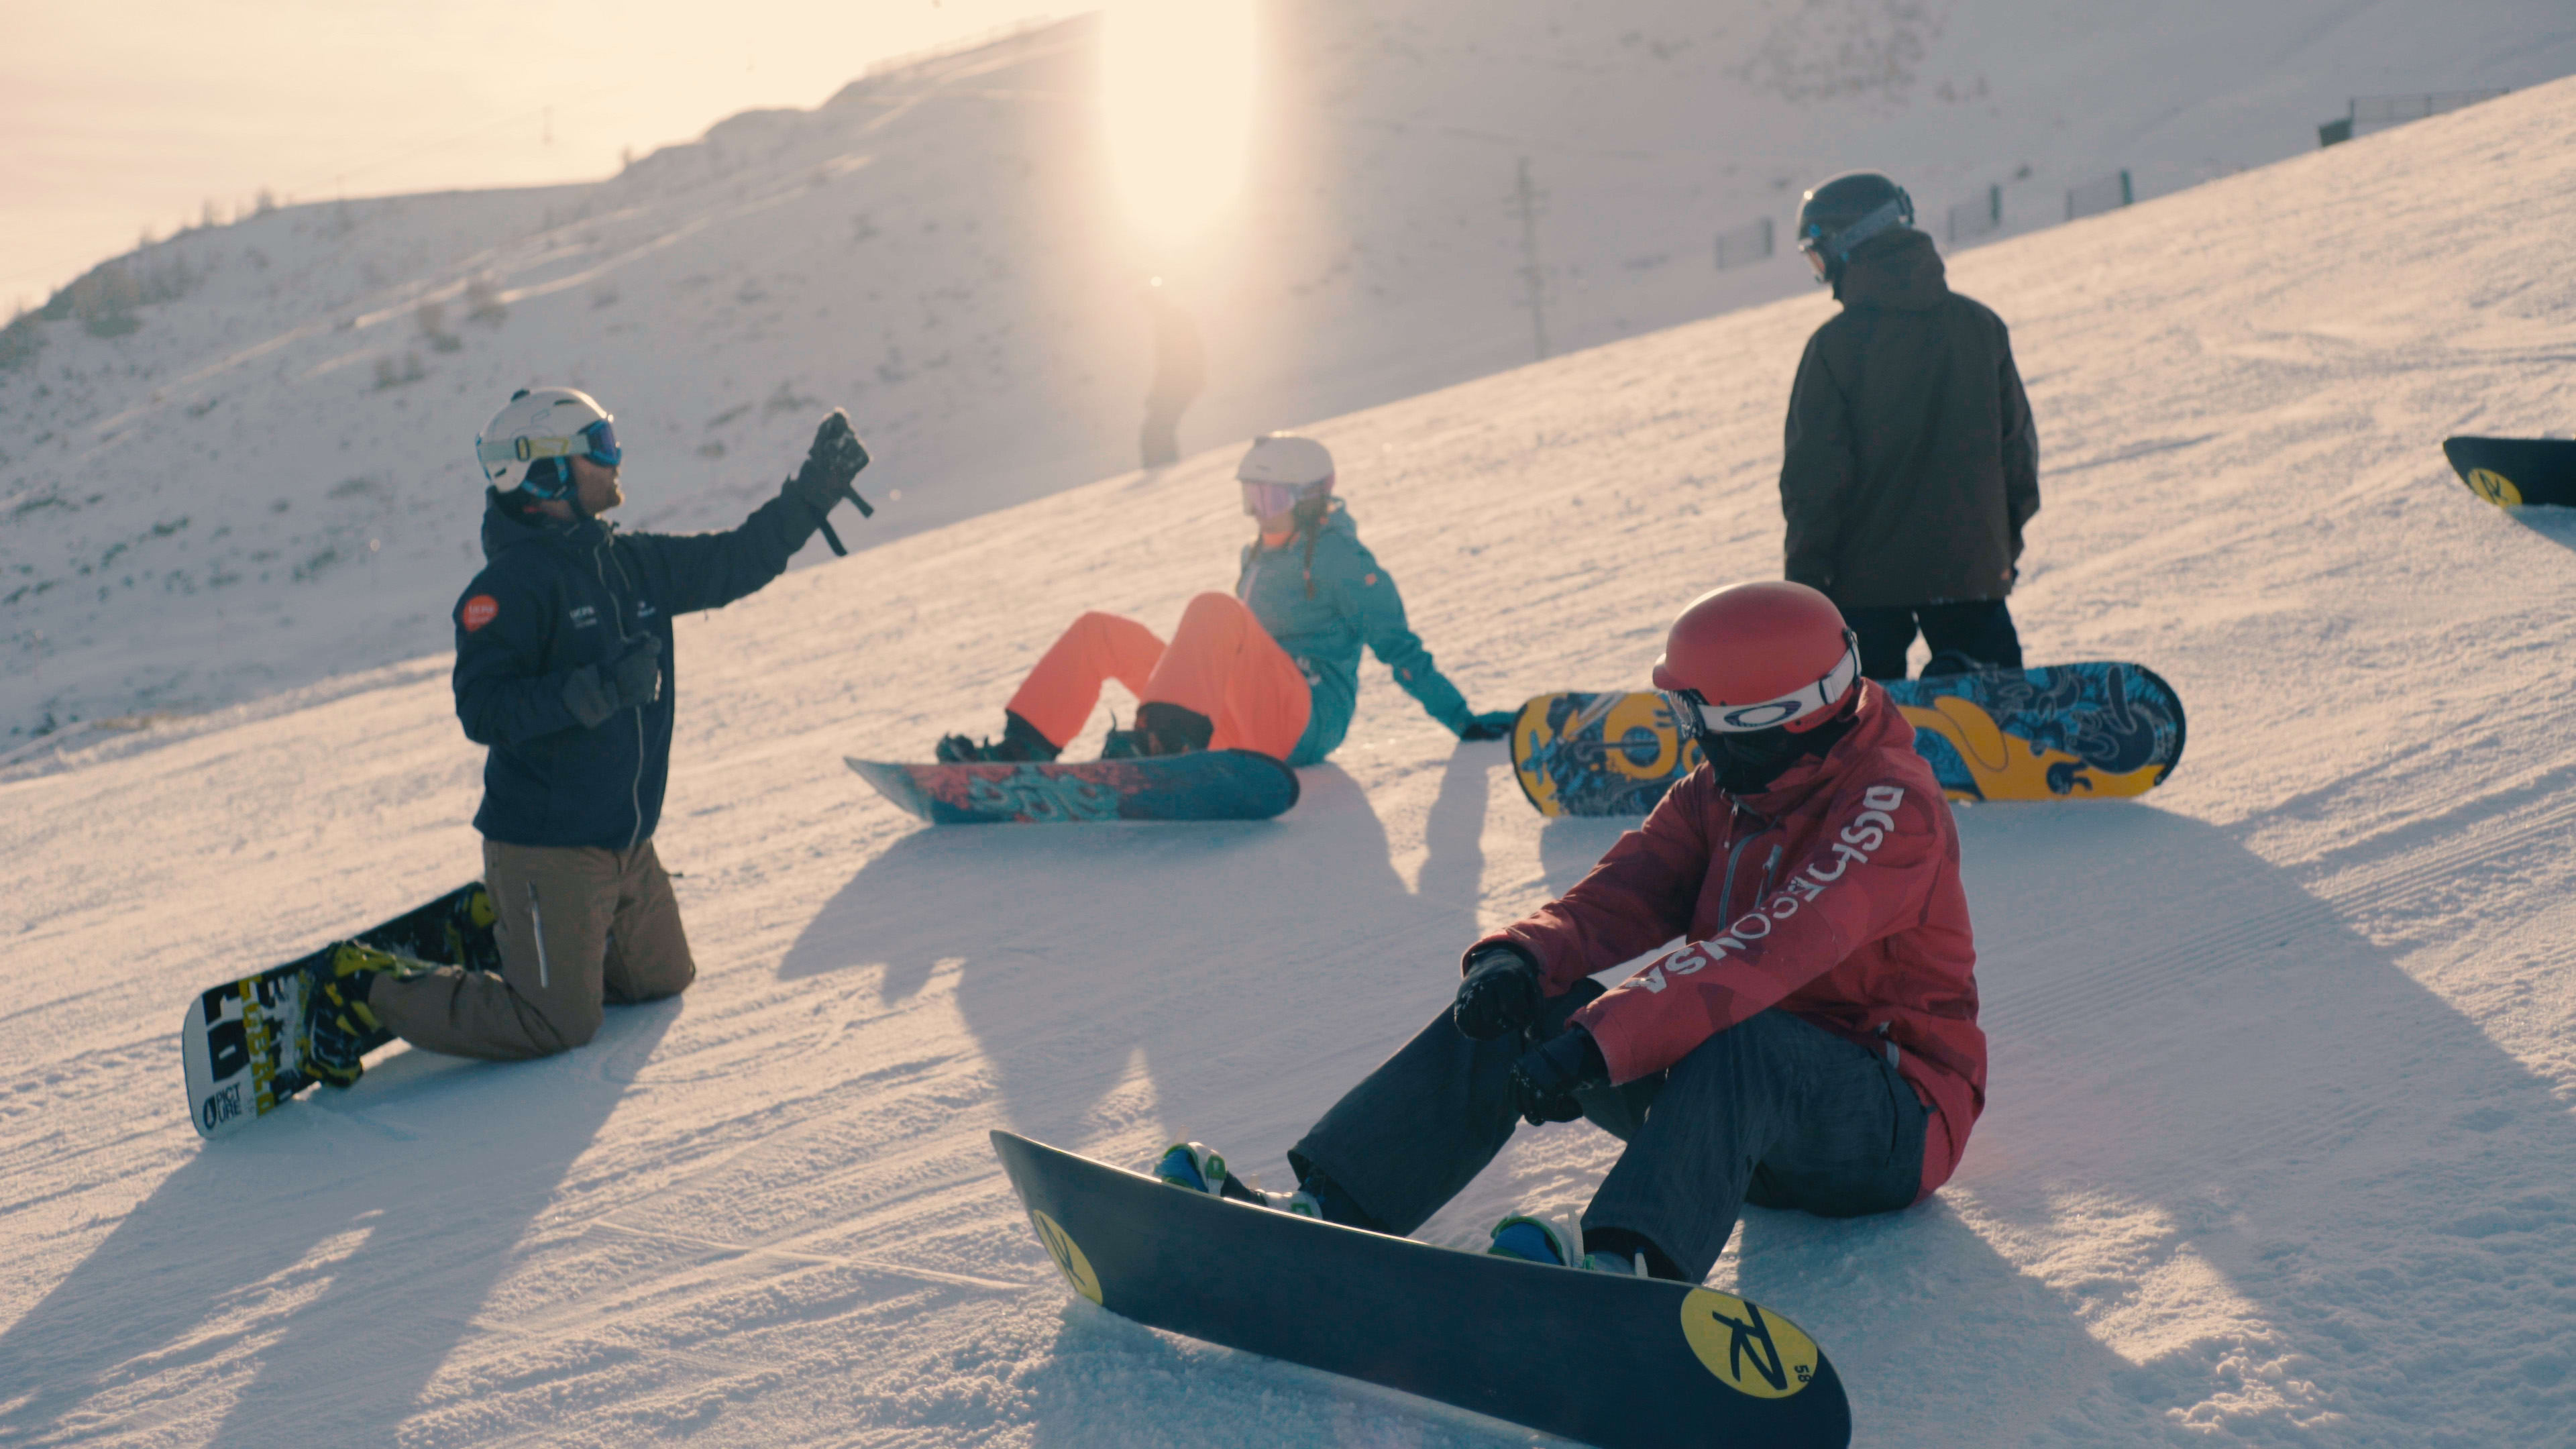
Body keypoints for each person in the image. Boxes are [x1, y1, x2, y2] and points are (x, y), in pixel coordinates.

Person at [1157, 581, 1985, 1283]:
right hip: (1729, 1123)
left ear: (1775, 715)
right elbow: (1619, 895)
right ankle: (1335, 1210)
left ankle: (1627, 1270)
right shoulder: (1726, 791)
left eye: (1699, 713)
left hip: (1887, 1121)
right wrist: (1520, 959)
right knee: (1535, 1002)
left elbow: (1764, 955)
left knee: (1747, 1038)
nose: (1688, 733)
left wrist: (1599, 1044)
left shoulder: (1890, 808)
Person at [298, 386, 869, 1081]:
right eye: (599, 447)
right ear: (545, 474)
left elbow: (736, 561)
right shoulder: (509, 589)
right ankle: (364, 989)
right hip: (548, 842)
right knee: (559, 1023)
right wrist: (595, 692)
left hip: (626, 842)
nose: (616, 457)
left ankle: (509, 924)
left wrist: (814, 492)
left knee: (662, 979)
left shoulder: (628, 563)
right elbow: (483, 709)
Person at [935, 433, 1515, 765]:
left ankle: (1164, 746)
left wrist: (1461, 720)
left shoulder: (1341, 559)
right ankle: (1023, 750)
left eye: (1271, 499)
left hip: (1306, 719)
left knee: (1213, 608)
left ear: (1311, 498)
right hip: (1245, 711)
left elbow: (1398, 645)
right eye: (1252, 499)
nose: (1259, 513)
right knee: (1099, 632)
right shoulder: (1260, 555)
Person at [1780, 170, 2040, 681]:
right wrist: (1997, 552)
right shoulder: (1980, 327)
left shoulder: (1835, 347)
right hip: (1971, 570)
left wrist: (1807, 584)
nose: (1821, 271)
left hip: (1862, 585)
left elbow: (1814, 480)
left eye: (1818, 255)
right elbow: (2017, 455)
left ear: (1847, 245)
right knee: (1989, 698)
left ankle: (1872, 738)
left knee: (1857, 712)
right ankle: (1967, 676)